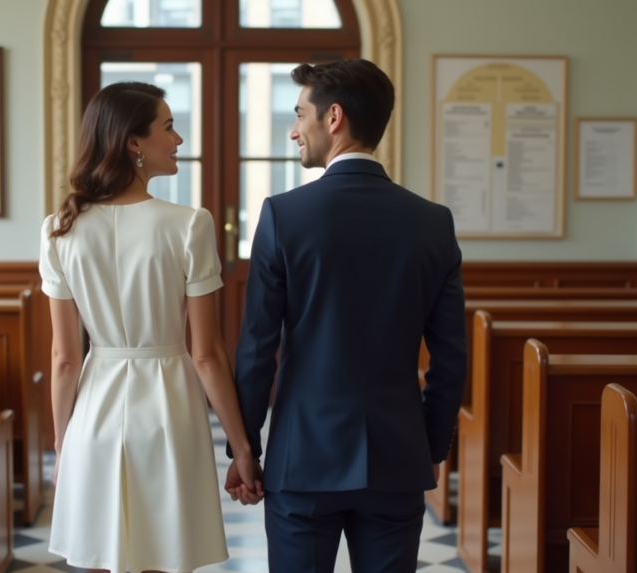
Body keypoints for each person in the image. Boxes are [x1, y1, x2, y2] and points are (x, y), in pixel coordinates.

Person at [224, 59, 468, 572]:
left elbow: (256, 351)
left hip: (303, 459)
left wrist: (244, 448)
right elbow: (451, 358)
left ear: (333, 118)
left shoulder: (283, 215)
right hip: (397, 458)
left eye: (299, 115)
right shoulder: (433, 223)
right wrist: (428, 446)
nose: (294, 130)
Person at [40, 81, 261, 573]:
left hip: (94, 413)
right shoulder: (189, 224)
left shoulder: (59, 229)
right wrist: (242, 448)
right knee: (166, 555)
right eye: (168, 127)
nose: (178, 139)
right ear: (133, 143)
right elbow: (205, 354)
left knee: (101, 556)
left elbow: (64, 358)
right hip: (169, 410)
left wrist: (63, 444)